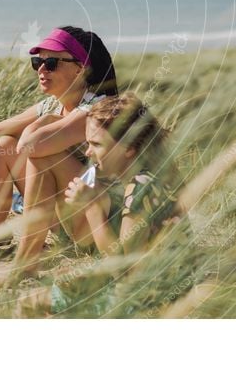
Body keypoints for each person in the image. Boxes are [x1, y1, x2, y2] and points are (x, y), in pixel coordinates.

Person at [0, 26, 118, 263]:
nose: (41, 69)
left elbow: (30, 146)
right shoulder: (53, 105)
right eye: (37, 62)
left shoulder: (95, 109)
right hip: (65, 218)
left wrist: (46, 121)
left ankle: (26, 260)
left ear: (80, 68)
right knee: (3, 145)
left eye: (52, 62)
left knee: (42, 155)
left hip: (96, 225)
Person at [63, 93, 178, 259]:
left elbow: (124, 271)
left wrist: (91, 206)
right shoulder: (145, 178)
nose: (88, 152)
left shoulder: (141, 188)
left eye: (96, 144)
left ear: (129, 147)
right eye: (88, 143)